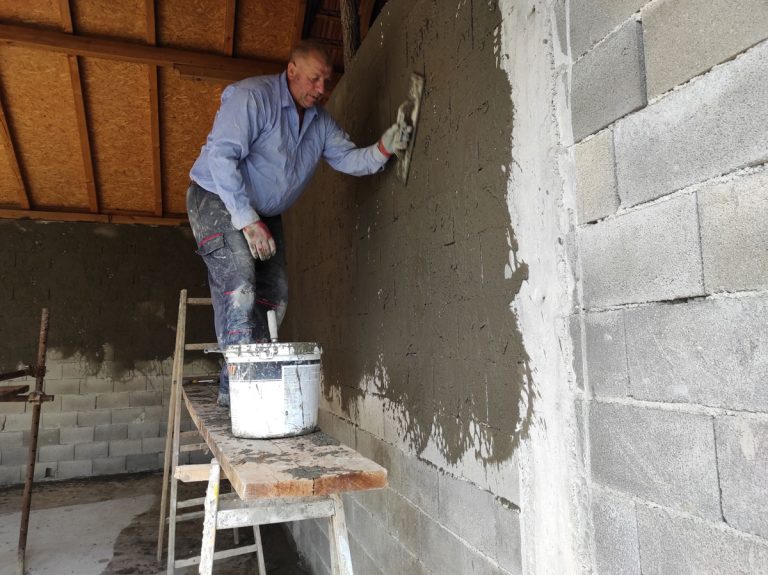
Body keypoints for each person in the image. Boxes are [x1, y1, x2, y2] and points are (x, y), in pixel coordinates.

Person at [186, 40, 410, 407]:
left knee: (273, 298)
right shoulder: (252, 98)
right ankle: (239, 397)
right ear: (291, 71)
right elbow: (221, 160)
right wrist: (246, 221)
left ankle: (244, 386)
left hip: (262, 214)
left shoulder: (319, 123)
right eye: (314, 79)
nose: (322, 89)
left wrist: (384, 148)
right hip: (215, 198)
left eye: (327, 80)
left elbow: (349, 159)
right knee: (240, 283)